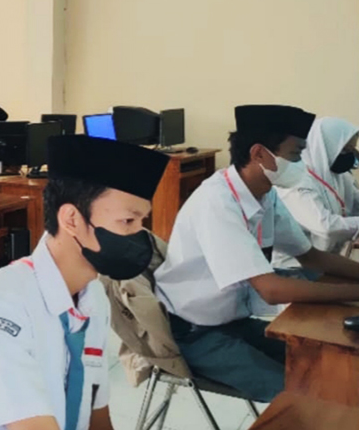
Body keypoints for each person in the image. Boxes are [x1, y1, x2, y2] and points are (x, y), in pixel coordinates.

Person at [0, 135, 170, 430]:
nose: (140, 236)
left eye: (143, 222)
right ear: (72, 219)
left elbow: (97, 417)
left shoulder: (93, 298)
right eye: (128, 221)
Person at [154, 104, 359, 403]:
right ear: (259, 153)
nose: (301, 165)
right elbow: (271, 290)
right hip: (195, 335)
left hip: (234, 320)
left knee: (328, 366)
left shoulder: (265, 194)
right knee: (301, 397)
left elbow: (311, 256)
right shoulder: (217, 202)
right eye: (295, 155)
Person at [273, 117, 359, 268]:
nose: (350, 156)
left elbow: (356, 202)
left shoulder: (338, 175)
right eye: (345, 150)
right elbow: (326, 228)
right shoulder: (295, 180)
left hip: (326, 260)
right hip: (295, 267)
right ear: (325, 147)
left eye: (352, 150)